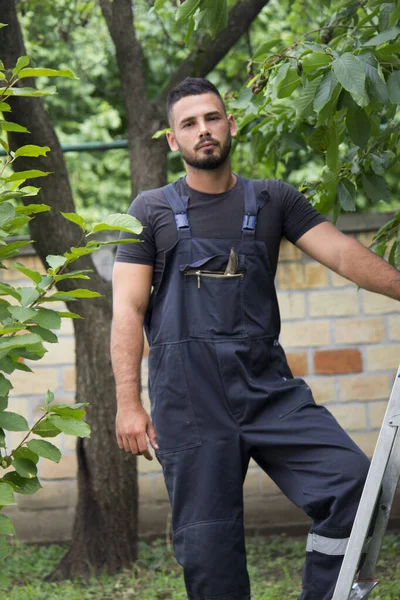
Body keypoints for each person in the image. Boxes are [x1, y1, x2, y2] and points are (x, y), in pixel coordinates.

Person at [111, 77, 400, 600]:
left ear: (231, 123)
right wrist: (128, 403)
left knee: (352, 482)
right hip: (191, 402)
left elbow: (344, 257)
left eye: (212, 118)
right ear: (173, 141)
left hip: (268, 390)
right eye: (189, 124)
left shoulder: (273, 199)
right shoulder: (149, 211)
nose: (204, 131)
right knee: (208, 554)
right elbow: (127, 309)